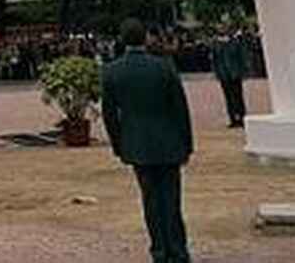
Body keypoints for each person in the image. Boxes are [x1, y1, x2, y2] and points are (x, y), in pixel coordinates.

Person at [103, 18, 192, 263]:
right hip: (169, 142)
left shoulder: (112, 71)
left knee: (150, 201)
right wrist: (187, 144)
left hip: (137, 144)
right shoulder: (164, 67)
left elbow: (109, 115)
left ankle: (159, 251)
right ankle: (178, 250)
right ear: (146, 39)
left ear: (121, 41)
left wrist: (119, 146)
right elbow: (180, 109)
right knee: (172, 200)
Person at [212, 26, 248, 129]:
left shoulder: (235, 42)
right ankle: (232, 119)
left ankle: (242, 117)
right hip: (224, 74)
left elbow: (241, 57)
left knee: (238, 96)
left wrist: (243, 71)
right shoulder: (216, 43)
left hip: (235, 73)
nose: (222, 29)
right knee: (228, 97)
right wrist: (217, 73)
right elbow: (215, 60)